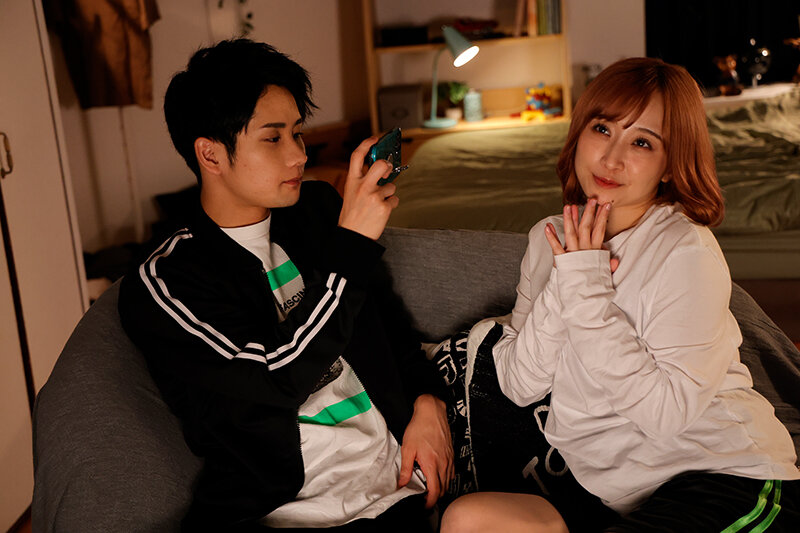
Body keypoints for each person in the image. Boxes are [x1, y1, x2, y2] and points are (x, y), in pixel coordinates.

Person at [440, 57, 800, 532]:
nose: (612, 158)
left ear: (670, 166)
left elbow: (666, 414)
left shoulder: (684, 250)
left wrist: (586, 288)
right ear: (579, 135)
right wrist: (568, 277)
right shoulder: (549, 238)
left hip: (718, 475)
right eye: (603, 129)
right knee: (466, 519)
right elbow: (518, 383)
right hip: (609, 491)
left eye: (642, 142)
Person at [118, 39, 453, 532]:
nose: (299, 154)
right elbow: (277, 375)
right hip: (290, 510)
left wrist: (427, 400)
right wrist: (352, 246)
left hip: (396, 481)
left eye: (297, 132)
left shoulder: (316, 212)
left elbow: (387, 319)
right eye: (273, 139)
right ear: (210, 155)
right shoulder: (167, 280)